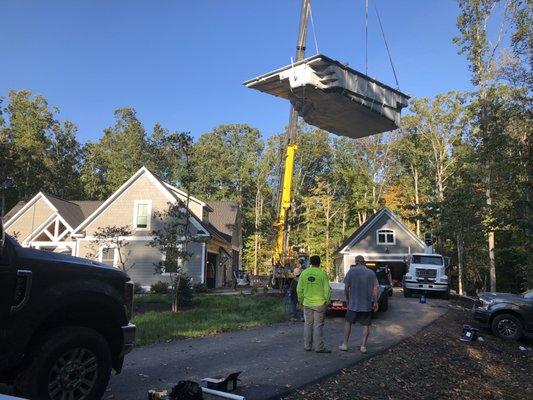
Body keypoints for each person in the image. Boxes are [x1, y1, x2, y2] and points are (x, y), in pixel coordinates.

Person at [339, 255, 379, 354]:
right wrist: (375, 302)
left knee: (348, 322)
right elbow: (375, 289)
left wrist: (347, 299)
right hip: (366, 305)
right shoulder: (371, 273)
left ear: (356, 262)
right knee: (366, 325)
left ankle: (344, 344)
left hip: (353, 304)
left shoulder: (351, 271)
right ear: (364, 262)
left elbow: (346, 288)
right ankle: (363, 346)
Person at [297, 255, 332, 353]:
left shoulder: (304, 273)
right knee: (318, 326)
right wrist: (327, 301)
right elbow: (327, 289)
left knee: (308, 324)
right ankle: (319, 347)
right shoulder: (322, 273)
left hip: (307, 303)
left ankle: (307, 346)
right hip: (320, 303)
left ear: (310, 263)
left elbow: (299, 289)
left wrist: (301, 300)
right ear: (319, 262)